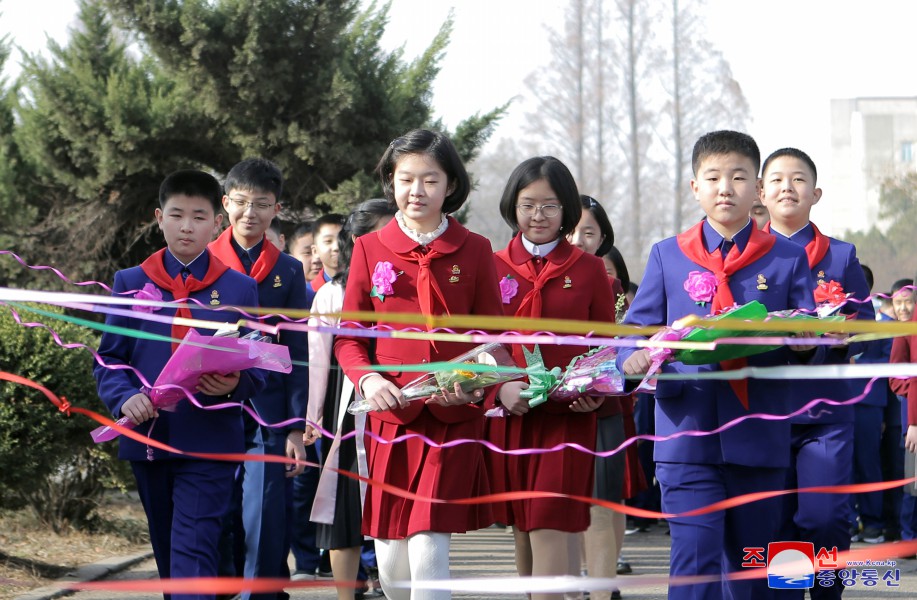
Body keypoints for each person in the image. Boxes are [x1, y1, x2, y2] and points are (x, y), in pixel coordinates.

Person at [617, 130, 818, 599]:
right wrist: (634, 356)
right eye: (713, 177)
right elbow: (635, 327)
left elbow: (809, 329)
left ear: (758, 190)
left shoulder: (787, 258)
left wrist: (808, 342)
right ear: (695, 187)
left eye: (739, 177)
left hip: (760, 433)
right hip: (686, 432)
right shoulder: (668, 255)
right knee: (694, 560)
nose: (725, 188)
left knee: (752, 566)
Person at [334, 129, 503, 600]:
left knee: (430, 540)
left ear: (450, 185)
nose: (416, 191)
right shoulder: (369, 248)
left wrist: (476, 382)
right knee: (390, 557)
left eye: (430, 179)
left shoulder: (475, 249)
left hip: (454, 417)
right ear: (391, 182)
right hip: (392, 415)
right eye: (405, 179)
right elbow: (349, 340)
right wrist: (368, 379)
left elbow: (493, 339)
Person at [94, 169, 265, 600]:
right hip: (150, 440)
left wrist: (231, 383)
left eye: (198, 216)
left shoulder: (239, 287)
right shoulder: (131, 283)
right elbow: (109, 357)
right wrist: (125, 396)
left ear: (216, 224)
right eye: (176, 215)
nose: (186, 226)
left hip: (210, 440)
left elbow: (261, 364)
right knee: (172, 559)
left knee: (194, 550)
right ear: (159, 217)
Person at [489, 157, 614, 600]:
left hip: (569, 419)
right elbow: (480, 344)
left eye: (550, 206)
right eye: (528, 205)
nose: (538, 216)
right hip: (511, 416)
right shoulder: (492, 264)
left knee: (547, 519)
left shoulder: (589, 269)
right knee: (523, 526)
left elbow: (607, 347)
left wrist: (596, 393)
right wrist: (500, 387)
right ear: (512, 206)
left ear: (567, 211)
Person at [760, 147, 874, 597]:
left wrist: (847, 335)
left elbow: (869, 329)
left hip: (826, 410)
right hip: (762, 410)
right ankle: (788, 591)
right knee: (779, 518)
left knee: (823, 515)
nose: (788, 187)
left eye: (799, 179)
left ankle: (828, 590)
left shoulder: (842, 257)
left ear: (816, 192)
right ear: (761, 193)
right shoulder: (746, 258)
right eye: (778, 180)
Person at [209, 157, 309, 600]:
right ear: (226, 203)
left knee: (266, 509)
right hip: (209, 403)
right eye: (242, 203)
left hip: (268, 411)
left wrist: (294, 427)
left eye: (262, 204)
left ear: (276, 210)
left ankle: (262, 593)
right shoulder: (203, 261)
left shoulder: (288, 271)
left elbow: (297, 353)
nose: (250, 213)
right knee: (216, 507)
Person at [305, 199, 395, 600]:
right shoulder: (331, 295)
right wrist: (313, 419)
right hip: (349, 418)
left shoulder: (405, 287)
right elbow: (317, 362)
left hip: (400, 412)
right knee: (344, 517)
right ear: (356, 241)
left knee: (395, 517)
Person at [567, 195, 638, 600]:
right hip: (552, 404)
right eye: (573, 228)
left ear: (603, 237)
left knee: (603, 498)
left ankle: (602, 584)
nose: (578, 239)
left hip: (602, 402)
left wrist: (592, 384)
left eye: (589, 232)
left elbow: (613, 346)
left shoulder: (609, 284)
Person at [850, 264, 895, 546]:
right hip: (840, 401)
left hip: (869, 403)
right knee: (845, 465)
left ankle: (873, 523)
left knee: (868, 464)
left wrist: (859, 362)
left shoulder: (884, 325)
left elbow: (894, 363)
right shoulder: (837, 319)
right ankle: (851, 521)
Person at [311, 214, 345, 294]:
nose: (336, 247)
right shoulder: (308, 292)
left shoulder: (369, 287)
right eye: (328, 241)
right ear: (315, 251)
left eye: (342, 239)